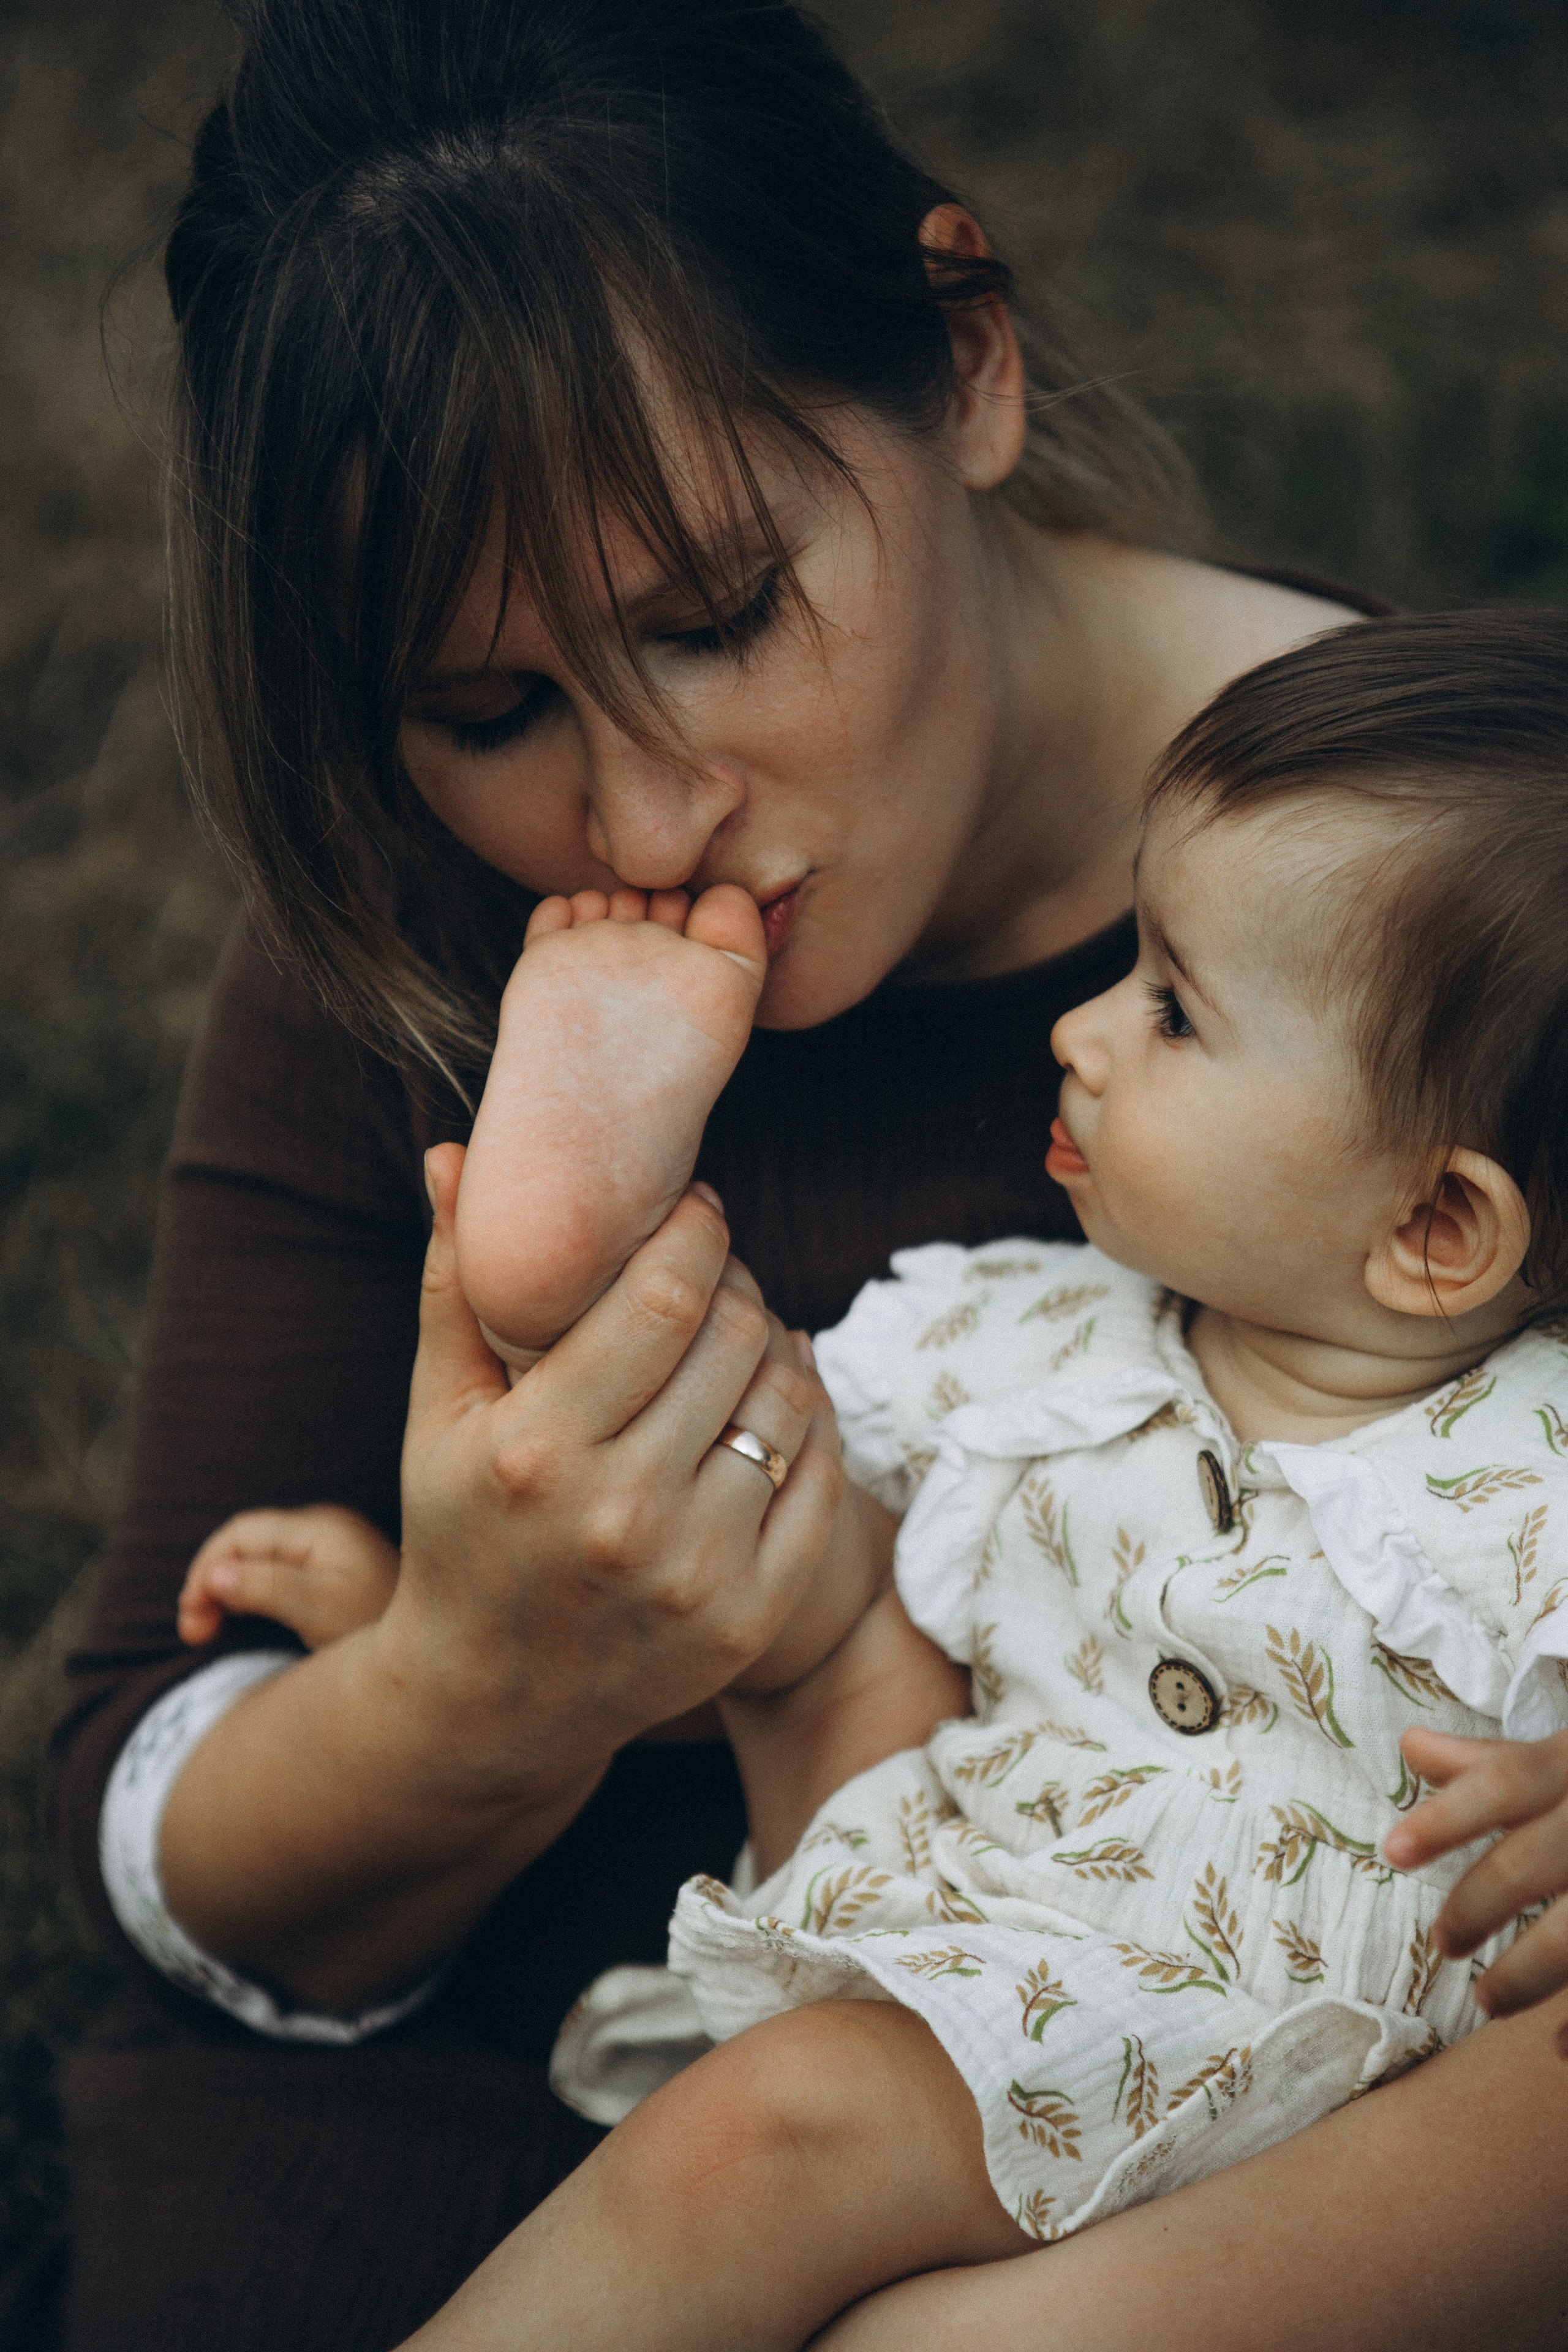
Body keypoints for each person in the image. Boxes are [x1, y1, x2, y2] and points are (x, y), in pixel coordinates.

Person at [44, 2, 1568, 2348]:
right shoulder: (418, 934)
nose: (645, 826)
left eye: (717, 616)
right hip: (463, 2127)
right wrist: (466, 1686)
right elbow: (164, 1856)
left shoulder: (1459, 940)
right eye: (490, 714)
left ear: (965, 361)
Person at [177, 612, 1568, 2352]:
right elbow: (749, 1594)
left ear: (1437, 1227)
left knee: (752, 2149)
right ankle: (594, 1235)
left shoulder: (1544, 1472)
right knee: (801, 1578)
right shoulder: (1024, 1342)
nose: (1080, 1032)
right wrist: (438, 1619)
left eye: (1174, 1010)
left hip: (1329, 2123)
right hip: (1015, 2000)